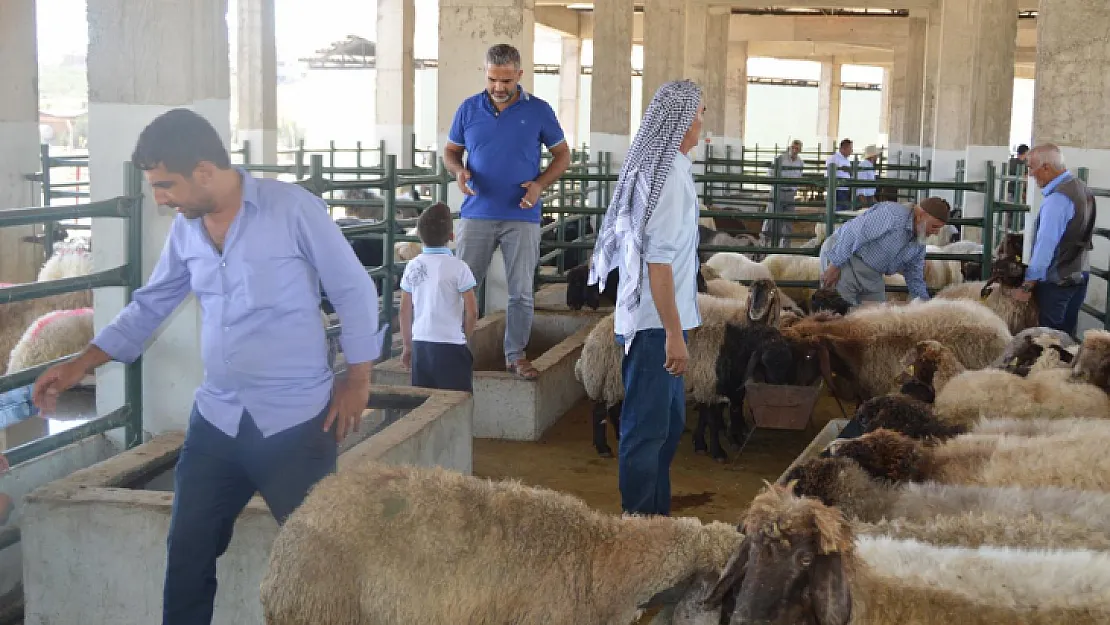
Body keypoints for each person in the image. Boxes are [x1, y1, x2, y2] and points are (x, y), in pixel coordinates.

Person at [29, 108, 384, 625]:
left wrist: (358, 378)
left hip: (297, 423)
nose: (160, 199)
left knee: (320, 564)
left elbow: (353, 290)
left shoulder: (291, 210)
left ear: (203, 170)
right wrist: (81, 362)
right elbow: (151, 303)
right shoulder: (188, 231)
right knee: (188, 553)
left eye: (165, 185)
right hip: (217, 422)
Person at [586, 80, 705, 517]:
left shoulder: (671, 169)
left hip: (658, 321)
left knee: (668, 425)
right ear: (679, 120)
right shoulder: (669, 178)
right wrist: (675, 333)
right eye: (698, 113)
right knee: (648, 429)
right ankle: (639, 524)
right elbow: (659, 265)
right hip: (655, 325)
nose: (701, 123)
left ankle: (654, 517)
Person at [443, 43, 572, 381]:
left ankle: (515, 355)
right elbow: (450, 151)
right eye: (492, 80)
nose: (498, 88)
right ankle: (454, 352)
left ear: (519, 74)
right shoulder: (468, 109)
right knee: (463, 286)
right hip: (476, 213)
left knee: (521, 291)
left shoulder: (540, 110)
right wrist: (458, 171)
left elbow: (562, 155)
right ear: (485, 74)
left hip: (522, 214)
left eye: (505, 81)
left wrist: (540, 185)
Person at [1011, 144, 1095, 338]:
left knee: (1048, 340)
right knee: (1067, 336)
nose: (1030, 174)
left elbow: (1045, 245)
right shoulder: (1082, 188)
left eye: (1032, 167)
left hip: (1058, 279)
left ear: (1047, 167)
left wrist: (1027, 285)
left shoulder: (1058, 198)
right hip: (1080, 273)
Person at [399, 202, 479, 393]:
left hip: (421, 345)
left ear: (418, 234)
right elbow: (472, 311)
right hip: (451, 344)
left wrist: (407, 346)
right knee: (456, 402)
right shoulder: (460, 267)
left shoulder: (412, 266)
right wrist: (464, 337)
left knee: (423, 405)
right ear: (451, 237)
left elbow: (404, 310)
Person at [818, 197, 951, 307]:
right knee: (841, 310)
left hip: (873, 273)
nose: (936, 232)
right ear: (921, 216)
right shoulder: (892, 215)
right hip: (848, 257)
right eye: (934, 227)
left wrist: (924, 304)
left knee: (875, 318)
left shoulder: (919, 243)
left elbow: (914, 275)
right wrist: (834, 265)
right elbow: (852, 233)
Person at [760, 139, 804, 248]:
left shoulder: (800, 162)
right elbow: (770, 173)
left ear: (800, 150)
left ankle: (785, 248)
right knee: (771, 218)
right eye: (793, 147)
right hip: (778, 191)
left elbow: (799, 176)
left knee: (788, 220)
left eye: (797, 148)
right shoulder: (780, 158)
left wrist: (794, 188)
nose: (794, 150)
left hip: (790, 193)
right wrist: (776, 184)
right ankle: (764, 243)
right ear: (789, 147)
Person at [826, 138, 854, 210]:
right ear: (844, 148)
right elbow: (829, 173)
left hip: (844, 188)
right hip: (837, 188)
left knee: (844, 208)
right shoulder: (834, 158)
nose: (851, 150)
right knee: (838, 208)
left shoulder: (846, 160)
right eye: (850, 148)